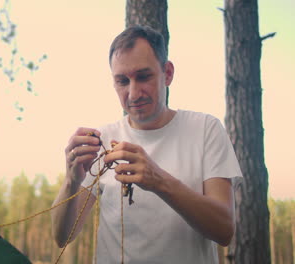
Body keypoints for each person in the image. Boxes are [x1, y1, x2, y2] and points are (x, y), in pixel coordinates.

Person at [50, 25, 242, 264]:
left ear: (168, 73)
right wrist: (71, 180)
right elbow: (61, 237)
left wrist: (158, 181)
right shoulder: (103, 140)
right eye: (122, 81)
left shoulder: (205, 129)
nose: (133, 93)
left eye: (143, 77)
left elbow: (225, 230)